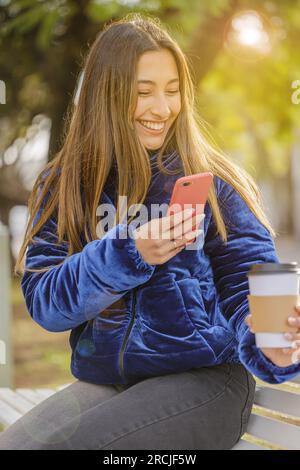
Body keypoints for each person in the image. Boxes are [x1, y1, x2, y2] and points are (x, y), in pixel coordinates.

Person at [1, 13, 299, 451]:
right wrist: (126, 253)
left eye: (173, 91)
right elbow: (46, 303)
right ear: (107, 95)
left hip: (204, 383)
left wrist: (272, 347)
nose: (162, 108)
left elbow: (248, 287)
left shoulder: (214, 183)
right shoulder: (66, 185)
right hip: (109, 383)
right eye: (144, 93)